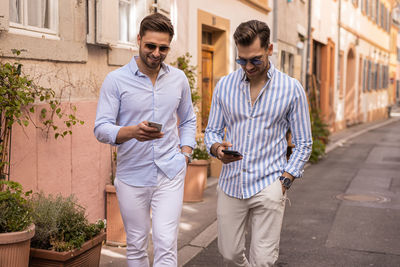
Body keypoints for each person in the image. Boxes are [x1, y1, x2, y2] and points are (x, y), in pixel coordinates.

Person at [204, 20, 313, 266]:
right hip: (232, 183)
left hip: (269, 183)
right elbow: (211, 131)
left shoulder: (291, 89)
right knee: (229, 253)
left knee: (263, 260)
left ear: (270, 49)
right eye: (241, 60)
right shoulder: (224, 86)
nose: (248, 67)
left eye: (255, 59)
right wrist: (217, 149)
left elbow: (304, 142)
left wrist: (284, 181)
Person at [94, 13, 196, 267]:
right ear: (138, 40)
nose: (156, 53)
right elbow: (101, 128)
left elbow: (188, 120)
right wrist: (132, 132)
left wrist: (185, 154)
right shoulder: (115, 81)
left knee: (166, 243)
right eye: (150, 46)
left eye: (163, 48)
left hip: (170, 172)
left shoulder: (179, 79)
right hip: (132, 176)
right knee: (137, 244)